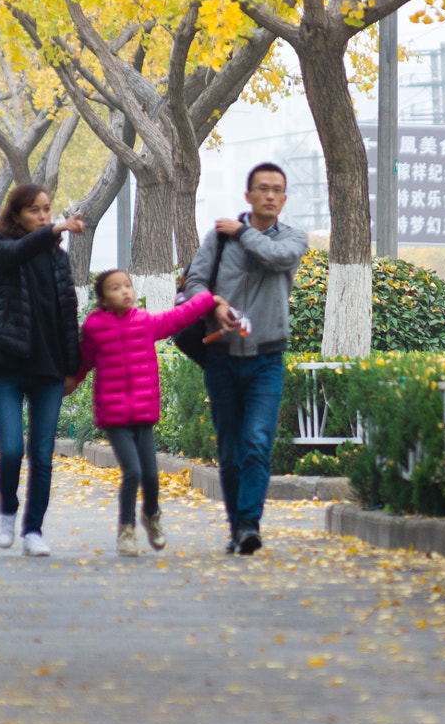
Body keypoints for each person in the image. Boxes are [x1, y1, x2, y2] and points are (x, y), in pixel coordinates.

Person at [180, 162, 308, 556]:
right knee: (231, 449)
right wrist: (214, 304)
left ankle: (250, 523)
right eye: (262, 189)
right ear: (248, 195)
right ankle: (238, 528)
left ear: (284, 200)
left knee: (257, 441)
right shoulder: (218, 240)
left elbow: (275, 258)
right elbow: (194, 283)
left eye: (277, 190)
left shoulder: (293, 239)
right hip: (221, 355)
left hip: (267, 358)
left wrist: (244, 232)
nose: (269, 195)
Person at [79, 270, 228, 556]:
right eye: (115, 288)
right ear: (103, 300)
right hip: (113, 415)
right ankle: (126, 529)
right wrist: (72, 380)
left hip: (142, 412)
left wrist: (207, 299)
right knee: (132, 471)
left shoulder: (144, 322)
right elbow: (84, 359)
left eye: (127, 286)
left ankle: (152, 516)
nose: (124, 291)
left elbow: (177, 318)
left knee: (150, 474)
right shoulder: (94, 327)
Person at [0, 184, 87, 558]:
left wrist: (73, 368)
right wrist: (55, 230)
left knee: (42, 454)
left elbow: (68, 314)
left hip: (49, 371)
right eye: (34, 211)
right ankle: (8, 512)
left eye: (47, 210)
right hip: (6, 367)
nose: (44, 216)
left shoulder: (58, 260)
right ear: (16, 214)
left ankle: (34, 530)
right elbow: (17, 251)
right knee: (11, 449)